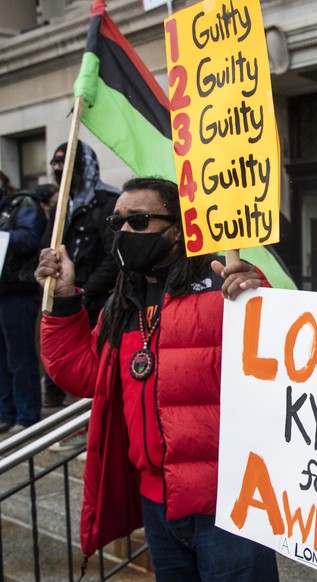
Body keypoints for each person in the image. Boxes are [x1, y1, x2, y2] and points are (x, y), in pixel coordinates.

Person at [36, 177, 279, 580]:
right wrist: (63, 298)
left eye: (140, 220)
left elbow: (276, 359)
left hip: (229, 504)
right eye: (118, 223)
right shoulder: (123, 299)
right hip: (158, 503)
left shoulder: (225, 287)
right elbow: (83, 374)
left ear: (179, 227)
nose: (125, 232)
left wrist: (257, 294)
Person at [42, 141, 120, 411]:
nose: (57, 168)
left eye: (65, 163)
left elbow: (115, 257)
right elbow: (47, 247)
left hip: (99, 301)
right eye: (55, 163)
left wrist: (86, 292)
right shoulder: (61, 206)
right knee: (69, 365)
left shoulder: (109, 202)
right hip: (67, 300)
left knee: (98, 371)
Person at [0, 172, 46, 432]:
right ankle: (6, 412)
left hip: (18, 292)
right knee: (3, 360)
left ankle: (27, 417)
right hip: (2, 293)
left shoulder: (24, 204)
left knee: (20, 358)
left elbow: (29, 240)